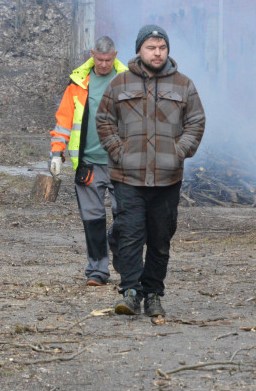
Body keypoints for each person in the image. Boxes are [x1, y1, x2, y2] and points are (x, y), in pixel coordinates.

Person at [96, 25, 205, 318]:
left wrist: (178, 152)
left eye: (162, 48)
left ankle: (154, 294)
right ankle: (132, 292)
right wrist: (119, 153)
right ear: (139, 50)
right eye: (151, 48)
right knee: (129, 235)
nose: (157, 53)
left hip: (167, 179)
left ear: (167, 50)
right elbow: (104, 121)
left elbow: (196, 122)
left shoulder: (184, 85)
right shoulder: (119, 84)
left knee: (160, 238)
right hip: (127, 177)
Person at [50, 36, 128, 287]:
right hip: (88, 164)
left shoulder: (128, 81)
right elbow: (64, 121)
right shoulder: (78, 84)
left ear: (115, 55)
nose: (104, 64)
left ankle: (126, 264)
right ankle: (97, 271)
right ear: (92, 54)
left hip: (122, 163)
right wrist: (56, 152)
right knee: (92, 219)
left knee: (127, 218)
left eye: (108, 59)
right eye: (99, 59)